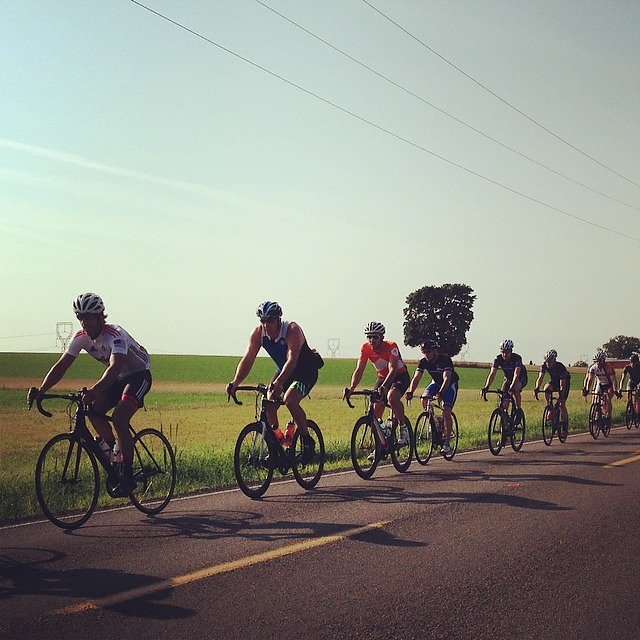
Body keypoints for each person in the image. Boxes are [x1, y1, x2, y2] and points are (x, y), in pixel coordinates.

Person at [27, 293, 151, 496]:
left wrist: (95, 390)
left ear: (101, 316)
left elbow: (114, 367)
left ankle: (127, 476)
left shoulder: (116, 334)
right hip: (119, 379)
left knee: (120, 418)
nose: (85, 322)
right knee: (92, 410)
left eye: (90, 317)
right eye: (80, 317)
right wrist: (41, 390)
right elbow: (61, 366)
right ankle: (115, 452)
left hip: (139, 375)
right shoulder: (81, 338)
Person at [226, 301, 321, 462]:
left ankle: (306, 440)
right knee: (268, 404)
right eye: (262, 321)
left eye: (269, 321)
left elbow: (292, 360)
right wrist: (235, 382)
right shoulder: (258, 334)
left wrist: (278, 383)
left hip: (305, 371)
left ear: (278, 319)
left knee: (290, 400)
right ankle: (277, 447)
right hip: (284, 370)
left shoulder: (292, 330)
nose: (265, 325)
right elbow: (248, 359)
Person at [345, 321, 410, 445]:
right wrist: (352, 388)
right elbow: (359, 370)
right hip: (382, 377)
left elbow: (393, 369)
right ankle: (381, 443)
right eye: (369, 337)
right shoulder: (365, 348)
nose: (372, 340)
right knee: (375, 411)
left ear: (382, 337)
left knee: (392, 397)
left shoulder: (391, 346)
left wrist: (385, 387)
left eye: (375, 337)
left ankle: (403, 428)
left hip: (399, 376)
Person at [406, 339, 459, 455]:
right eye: (423, 352)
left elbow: (447, 378)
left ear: (435, 350)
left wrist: (440, 393)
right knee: (424, 399)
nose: (426, 354)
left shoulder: (444, 360)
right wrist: (410, 391)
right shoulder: (423, 362)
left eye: (428, 352)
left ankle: (446, 442)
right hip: (435, 382)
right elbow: (416, 377)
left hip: (449, 385)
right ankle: (434, 421)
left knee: (446, 411)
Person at [482, 339, 528, 421]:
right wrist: (486, 387)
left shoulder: (517, 358)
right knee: (504, 399)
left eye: (507, 352)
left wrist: (513, 385)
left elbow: (516, 374)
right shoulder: (498, 359)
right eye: (502, 352)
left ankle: (518, 411)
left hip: (520, 377)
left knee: (515, 389)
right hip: (508, 378)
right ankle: (506, 421)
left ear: (511, 351)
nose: (504, 354)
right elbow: (492, 374)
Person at [533, 349, 570, 431]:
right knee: (546, 388)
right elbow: (540, 378)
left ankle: (564, 426)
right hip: (554, 381)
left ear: (554, 360)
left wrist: (561, 396)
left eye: (550, 361)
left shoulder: (560, 367)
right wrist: (537, 388)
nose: (548, 363)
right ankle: (550, 407)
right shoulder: (544, 366)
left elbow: (562, 385)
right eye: (546, 361)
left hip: (564, 382)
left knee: (561, 404)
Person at [581, 350, 619, 425]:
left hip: (609, 384)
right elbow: (589, 380)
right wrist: (587, 389)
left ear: (603, 361)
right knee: (595, 398)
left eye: (600, 361)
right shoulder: (593, 368)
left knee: (607, 399)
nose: (598, 363)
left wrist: (615, 390)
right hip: (600, 383)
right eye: (596, 361)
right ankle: (596, 415)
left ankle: (608, 417)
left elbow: (614, 380)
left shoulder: (608, 367)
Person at [619, 352, 640, 416]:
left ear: (637, 362)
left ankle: (638, 412)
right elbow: (623, 379)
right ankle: (630, 406)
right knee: (628, 392)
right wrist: (620, 388)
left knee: (637, 394)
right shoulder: (627, 368)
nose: (632, 364)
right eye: (631, 362)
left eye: (634, 362)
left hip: (639, 381)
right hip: (631, 381)